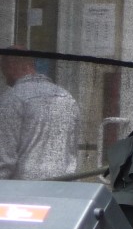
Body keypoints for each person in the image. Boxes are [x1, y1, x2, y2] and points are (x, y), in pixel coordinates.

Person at [0, 49, 81, 180]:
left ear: (11, 66)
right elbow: (71, 149)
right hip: (64, 185)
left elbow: (4, 159)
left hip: (26, 187)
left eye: (3, 68)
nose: (3, 75)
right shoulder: (67, 97)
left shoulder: (11, 99)